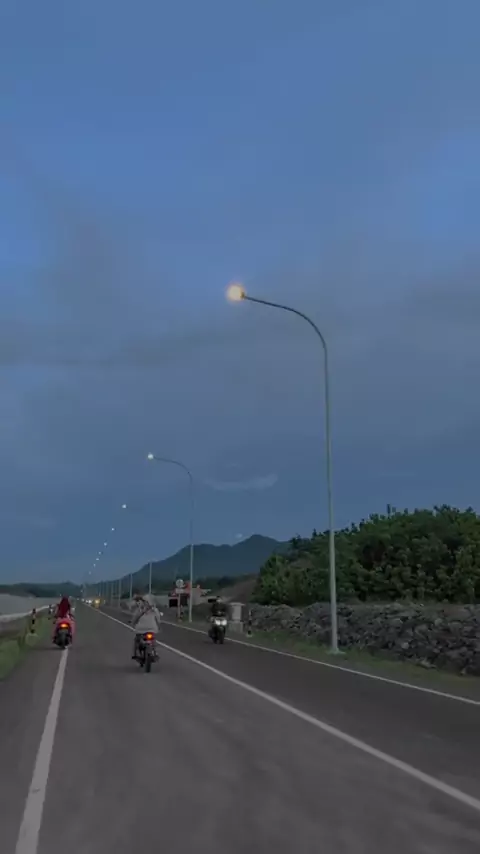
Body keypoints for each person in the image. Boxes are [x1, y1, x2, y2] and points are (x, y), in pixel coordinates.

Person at [131, 593, 162, 659]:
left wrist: (133, 624)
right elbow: (158, 620)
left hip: (140, 629)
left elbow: (135, 618)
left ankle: (135, 653)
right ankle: (155, 652)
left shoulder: (140, 609)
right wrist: (159, 627)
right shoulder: (155, 610)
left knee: (137, 639)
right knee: (153, 640)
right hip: (152, 629)